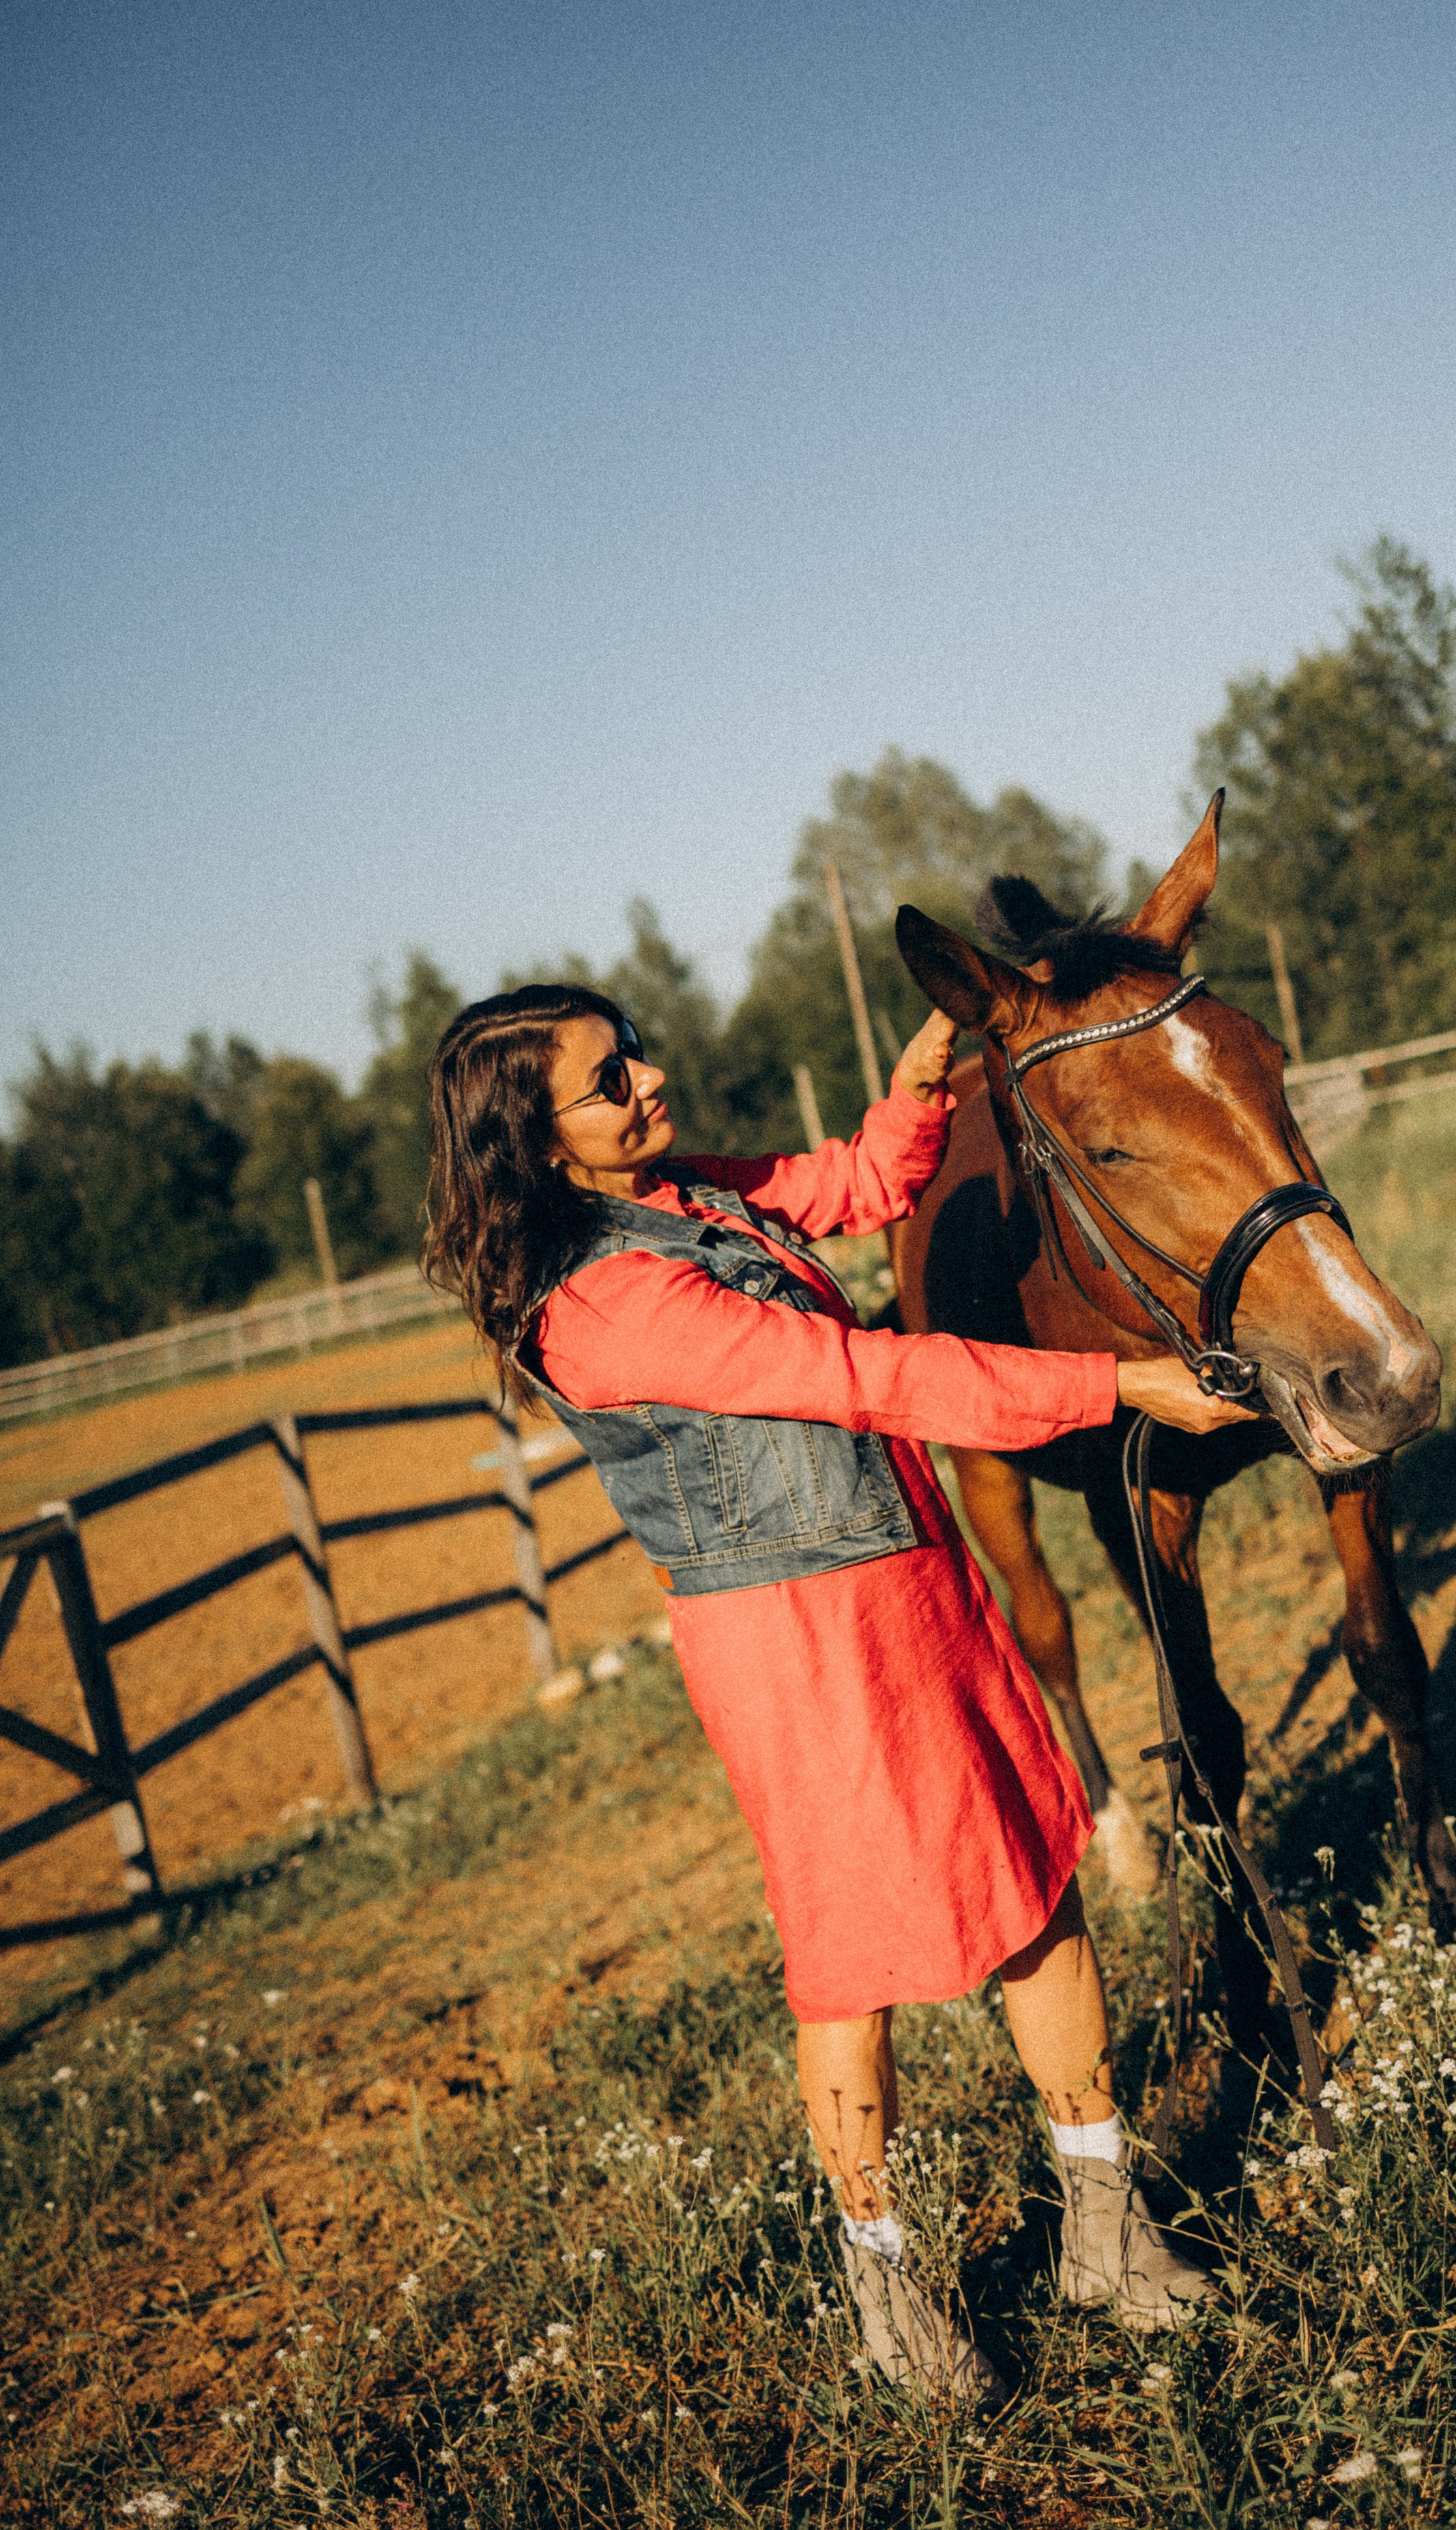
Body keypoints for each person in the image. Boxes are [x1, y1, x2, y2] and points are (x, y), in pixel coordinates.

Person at [423, 980, 1245, 2401]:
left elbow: (852, 1183)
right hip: (797, 1649)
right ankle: (883, 2290)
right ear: (537, 1141)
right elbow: (863, 1375)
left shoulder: (692, 1197)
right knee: (851, 1959)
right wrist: (1116, 1385)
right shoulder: (603, 1304)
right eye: (609, 1080)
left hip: (910, 1587)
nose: (649, 1082)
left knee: (1030, 1876)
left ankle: (1101, 2232)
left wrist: (919, 1081)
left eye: (634, 1057)